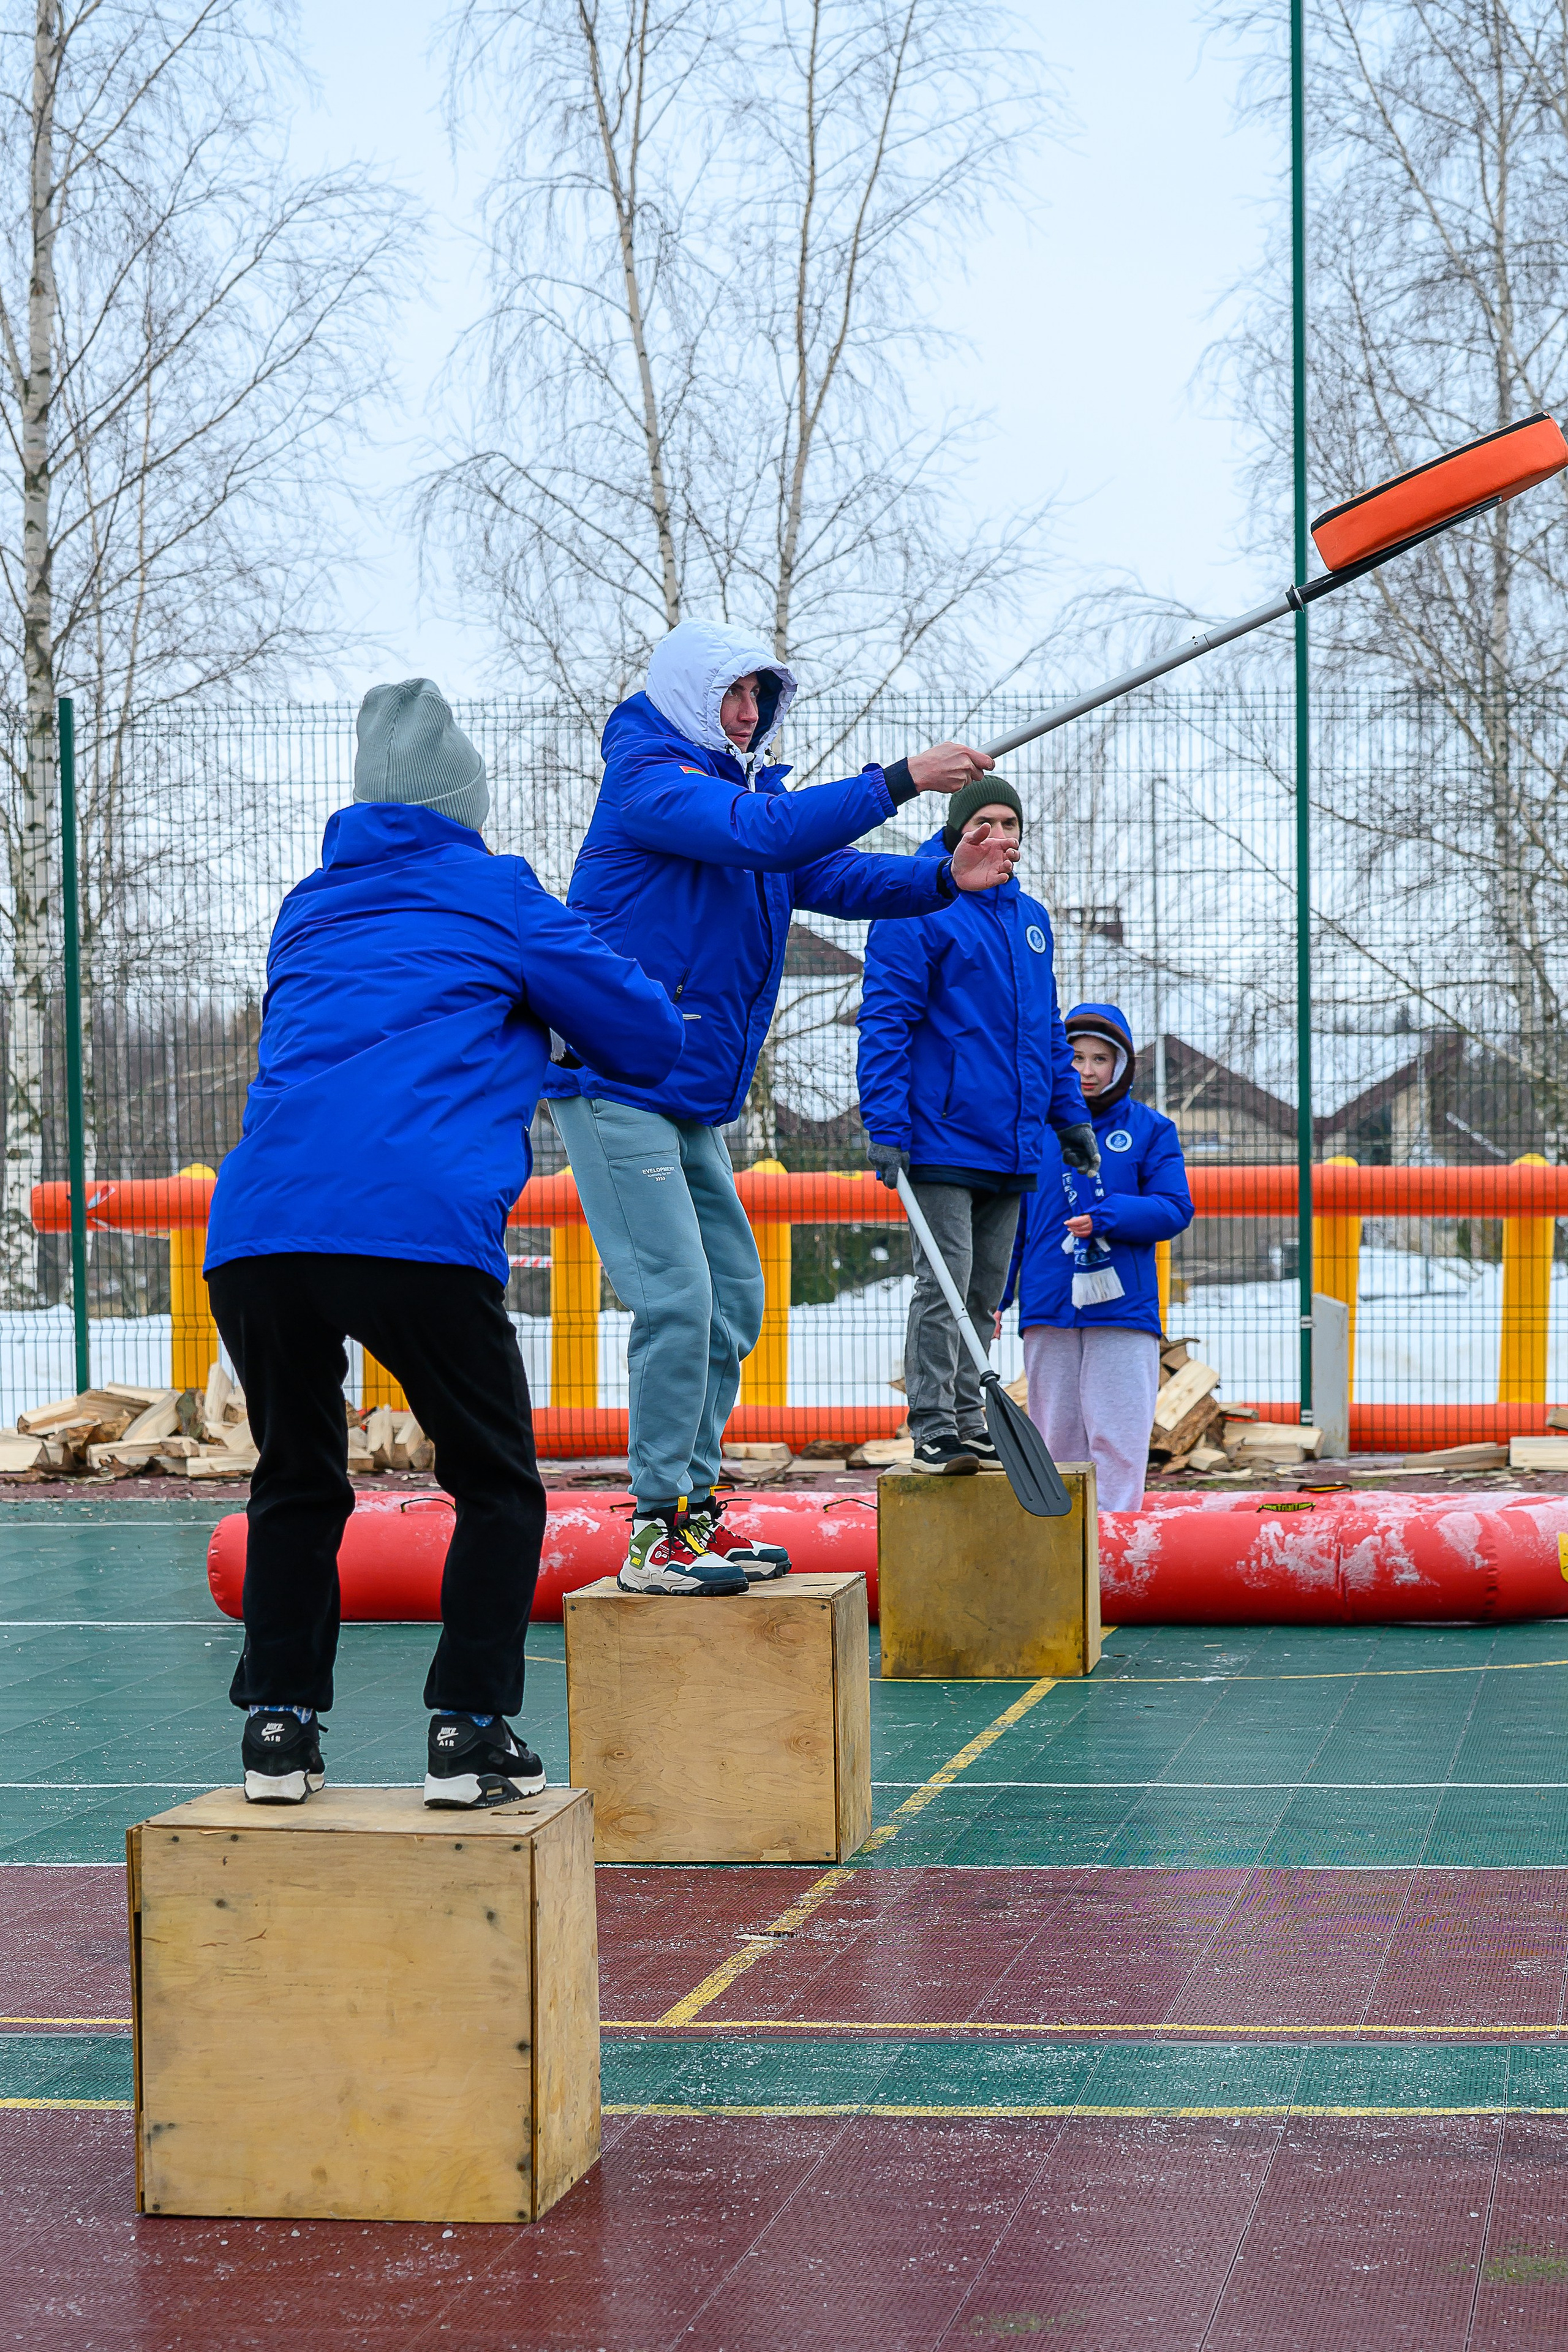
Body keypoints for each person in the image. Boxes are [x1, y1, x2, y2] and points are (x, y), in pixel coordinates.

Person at [204, 679, 684, 1809]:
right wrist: (554, 1037)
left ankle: (279, 1729)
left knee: (298, 1476)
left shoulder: (308, 905)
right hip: (414, 1223)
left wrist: (516, 1044)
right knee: (497, 1484)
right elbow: (647, 1034)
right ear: (468, 804)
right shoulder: (497, 890)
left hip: (260, 1225)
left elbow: (366, 1037)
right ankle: (468, 1732)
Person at [544, 616, 1019, 1593]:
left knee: (734, 1305)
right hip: (612, 1080)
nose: (750, 713)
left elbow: (825, 872)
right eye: (733, 694)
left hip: (686, 1092)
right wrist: (900, 780)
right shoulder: (650, 780)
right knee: (678, 1298)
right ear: (688, 693)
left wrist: (941, 876)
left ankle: (697, 1511)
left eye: (761, 697)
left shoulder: (746, 793)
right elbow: (763, 838)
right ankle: (656, 1532)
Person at [856, 776, 1096, 1473]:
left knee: (987, 1290)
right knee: (944, 1283)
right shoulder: (917, 905)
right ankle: (933, 1425)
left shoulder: (1032, 921)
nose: (999, 835)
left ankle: (967, 1416)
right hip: (939, 1136)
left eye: (1009, 822)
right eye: (984, 821)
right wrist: (886, 1123)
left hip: (1012, 1140)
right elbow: (886, 1020)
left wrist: (1068, 1116)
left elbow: (1046, 1030)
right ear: (958, 829)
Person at [999, 1001, 1194, 1512]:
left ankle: (1117, 1550)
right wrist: (996, 1299)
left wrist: (1108, 1216)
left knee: (1117, 1435)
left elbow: (1175, 1209)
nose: (1086, 1070)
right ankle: (1061, 1547)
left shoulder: (1152, 1130)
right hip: (1048, 1305)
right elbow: (1010, 1227)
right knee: (1055, 1438)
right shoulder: (1029, 1128)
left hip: (1123, 1309)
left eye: (1100, 1059)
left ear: (1121, 1065)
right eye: (1075, 1057)